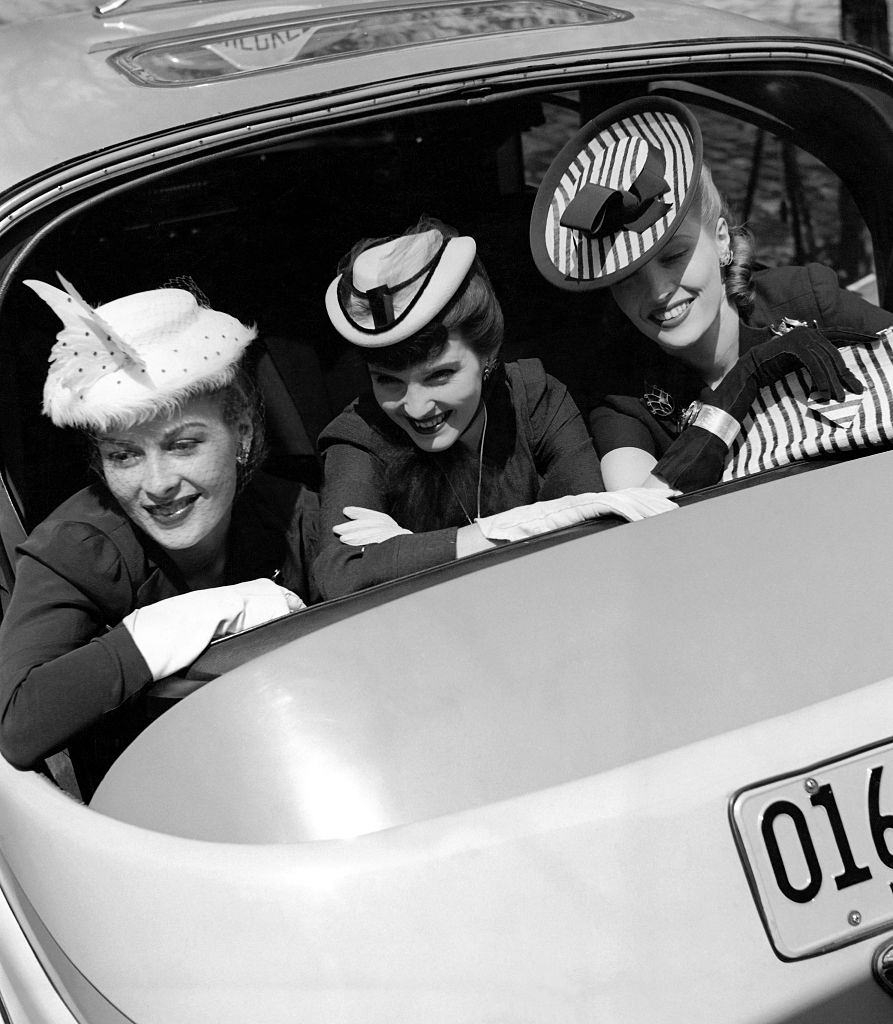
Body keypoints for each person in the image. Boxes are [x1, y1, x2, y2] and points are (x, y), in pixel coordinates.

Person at [0, 275, 318, 795]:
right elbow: (16, 722)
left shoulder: (289, 512)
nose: (158, 485)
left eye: (183, 444)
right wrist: (171, 627)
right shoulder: (76, 549)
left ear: (241, 429)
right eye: (124, 454)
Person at [529, 96, 893, 492]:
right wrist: (746, 378)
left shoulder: (806, 300)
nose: (659, 291)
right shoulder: (622, 394)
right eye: (627, 277)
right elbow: (643, 516)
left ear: (722, 242)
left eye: (674, 256)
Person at [314, 217, 677, 599]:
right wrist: (502, 532)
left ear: (487, 353)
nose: (417, 407)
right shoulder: (359, 435)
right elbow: (341, 574)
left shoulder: (535, 397)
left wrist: (409, 553)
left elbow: (592, 531)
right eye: (388, 380)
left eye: (440, 375)